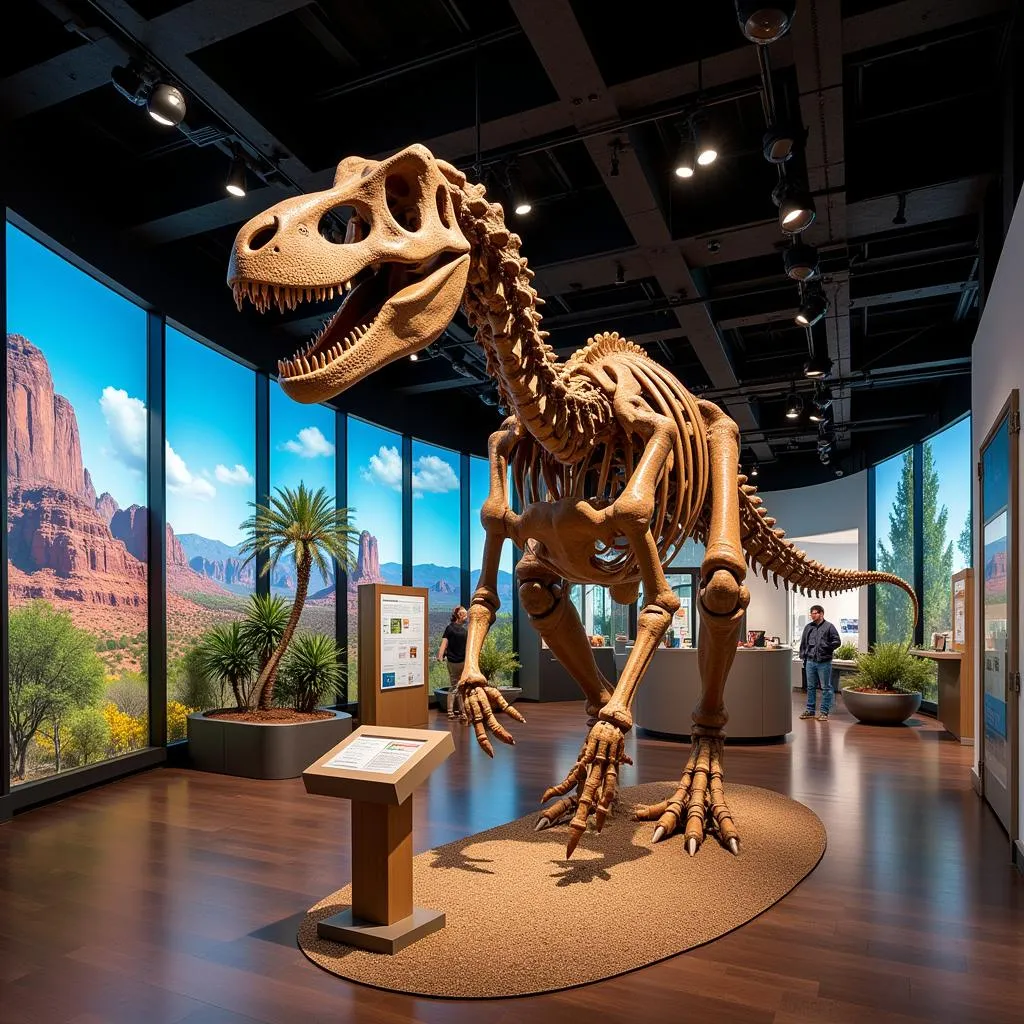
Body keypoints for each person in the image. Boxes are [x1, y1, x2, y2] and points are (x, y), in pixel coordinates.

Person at [799, 604, 841, 721]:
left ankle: (824, 712)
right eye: (811, 613)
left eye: (815, 613)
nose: (813, 615)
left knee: (826, 687)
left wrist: (825, 647)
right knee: (810, 687)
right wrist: (804, 657)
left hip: (824, 662)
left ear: (821, 614)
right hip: (810, 661)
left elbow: (837, 641)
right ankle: (810, 710)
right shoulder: (808, 627)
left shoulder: (829, 627)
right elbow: (803, 643)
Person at [437, 605, 469, 722]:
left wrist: (440, 656)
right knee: (457, 686)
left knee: (458, 686)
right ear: (459, 615)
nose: (466, 616)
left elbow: (444, 643)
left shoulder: (453, 629)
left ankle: (460, 711)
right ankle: (455, 711)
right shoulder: (456, 630)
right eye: (465, 614)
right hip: (457, 662)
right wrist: (440, 655)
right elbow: (444, 643)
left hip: (458, 661)